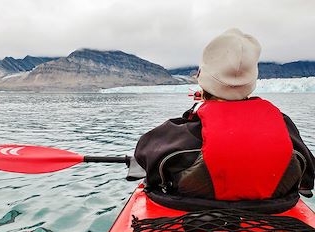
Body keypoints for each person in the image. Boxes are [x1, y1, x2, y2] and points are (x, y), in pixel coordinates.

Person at [134, 29, 315, 213]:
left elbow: (144, 156)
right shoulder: (283, 126)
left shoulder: (185, 131)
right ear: (252, 80)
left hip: (194, 219)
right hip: (274, 220)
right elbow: (307, 177)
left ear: (202, 78)